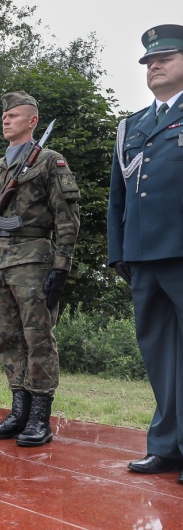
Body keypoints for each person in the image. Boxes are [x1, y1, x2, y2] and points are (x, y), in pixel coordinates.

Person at [0, 91, 81, 447]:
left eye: (14, 115)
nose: (6, 120)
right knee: (8, 339)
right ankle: (18, 409)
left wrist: (61, 266)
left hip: (34, 262)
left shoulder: (49, 162)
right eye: (4, 116)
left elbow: (67, 219)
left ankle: (40, 416)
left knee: (38, 338)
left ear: (33, 121)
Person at [107, 24, 183, 483]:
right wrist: (120, 253)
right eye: (149, 62)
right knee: (158, 352)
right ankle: (166, 446)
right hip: (143, 257)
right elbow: (119, 196)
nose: (154, 65)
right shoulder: (131, 126)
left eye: (166, 57)